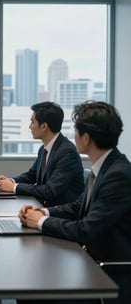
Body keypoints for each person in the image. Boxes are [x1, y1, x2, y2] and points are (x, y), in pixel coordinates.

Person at [19, 101, 131, 304]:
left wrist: (40, 222)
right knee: (29, 283)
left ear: (86, 138)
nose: (73, 136)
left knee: (31, 290)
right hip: (89, 259)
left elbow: (85, 230)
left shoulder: (118, 175)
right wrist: (43, 212)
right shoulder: (106, 166)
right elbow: (78, 207)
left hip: (107, 272)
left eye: (76, 131)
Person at [0, 101, 84, 206]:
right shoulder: (44, 149)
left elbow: (50, 190)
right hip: (44, 207)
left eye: (32, 122)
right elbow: (31, 176)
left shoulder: (67, 153)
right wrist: (9, 181)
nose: (30, 127)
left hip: (60, 214)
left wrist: (13, 187)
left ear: (44, 126)